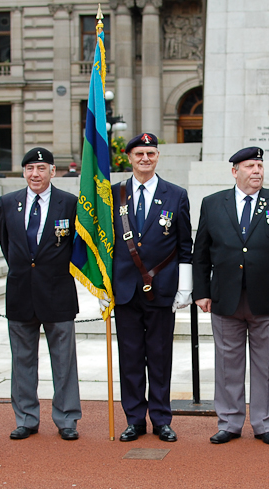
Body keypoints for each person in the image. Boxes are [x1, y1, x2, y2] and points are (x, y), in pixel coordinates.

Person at [193, 146, 269, 445]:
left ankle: (264, 423)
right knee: (228, 363)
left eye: (259, 165)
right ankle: (229, 422)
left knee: (267, 364)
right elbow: (201, 253)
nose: (256, 171)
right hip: (225, 298)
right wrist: (201, 291)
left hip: (268, 298)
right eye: (249, 166)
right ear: (235, 171)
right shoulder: (213, 203)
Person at [109, 132, 193, 443]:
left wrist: (185, 287)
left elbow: (185, 243)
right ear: (128, 158)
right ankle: (134, 419)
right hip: (125, 290)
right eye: (139, 154)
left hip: (162, 289)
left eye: (151, 154)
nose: (145, 159)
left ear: (158, 157)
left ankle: (161, 419)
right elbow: (106, 245)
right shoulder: (113, 195)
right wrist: (104, 286)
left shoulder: (176, 194)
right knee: (130, 358)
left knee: (159, 357)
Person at [0, 147, 82, 441]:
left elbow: (76, 246)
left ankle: (67, 418)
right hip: (21, 293)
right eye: (30, 168)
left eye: (41, 168)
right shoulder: (8, 203)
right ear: (23, 172)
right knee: (22, 362)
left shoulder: (69, 203)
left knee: (64, 362)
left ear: (52, 172)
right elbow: (7, 244)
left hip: (58, 293)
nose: (35, 174)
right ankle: (26, 418)